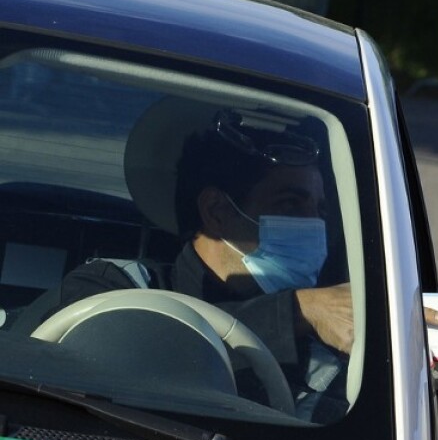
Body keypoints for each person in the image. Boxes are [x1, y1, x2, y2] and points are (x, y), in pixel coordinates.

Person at [16, 108, 352, 420]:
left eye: (320, 212)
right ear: (217, 211)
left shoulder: (327, 348)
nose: (315, 226)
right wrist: (291, 314)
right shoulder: (110, 288)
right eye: (291, 205)